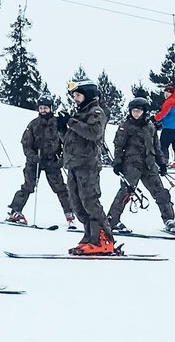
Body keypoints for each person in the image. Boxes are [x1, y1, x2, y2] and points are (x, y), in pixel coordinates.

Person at [57, 80, 114, 255]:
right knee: (76, 203)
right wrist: (62, 129)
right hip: (74, 164)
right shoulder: (80, 113)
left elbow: (94, 133)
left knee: (90, 201)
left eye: (78, 95)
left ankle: (103, 239)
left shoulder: (96, 112)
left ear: (87, 94)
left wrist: (71, 122)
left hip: (87, 165)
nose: (75, 99)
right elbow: (70, 140)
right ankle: (90, 236)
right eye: (74, 96)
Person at [107, 97, 175, 234]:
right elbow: (118, 146)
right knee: (126, 192)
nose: (136, 113)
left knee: (161, 192)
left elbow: (156, 146)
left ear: (144, 112)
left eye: (139, 111)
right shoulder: (125, 126)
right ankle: (112, 220)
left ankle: (169, 219)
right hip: (131, 165)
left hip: (149, 165)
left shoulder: (150, 126)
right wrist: (118, 162)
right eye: (134, 111)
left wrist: (161, 162)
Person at [7, 96, 74, 226]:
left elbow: (67, 143)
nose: (43, 110)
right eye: (41, 108)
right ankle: (15, 211)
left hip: (52, 162)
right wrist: (32, 156)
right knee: (28, 186)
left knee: (60, 188)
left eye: (46, 108)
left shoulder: (57, 123)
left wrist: (61, 159)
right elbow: (26, 144)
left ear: (50, 108)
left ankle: (70, 213)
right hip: (35, 162)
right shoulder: (33, 124)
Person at [153, 85, 175, 172]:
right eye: (165, 93)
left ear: (172, 93)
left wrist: (155, 118)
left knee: (163, 145)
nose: (166, 94)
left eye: (168, 93)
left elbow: (163, 113)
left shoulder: (170, 101)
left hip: (170, 127)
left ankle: (163, 163)